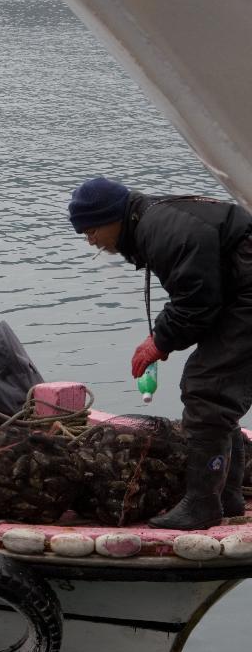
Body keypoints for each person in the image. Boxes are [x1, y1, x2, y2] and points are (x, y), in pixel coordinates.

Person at [68, 176, 252, 529]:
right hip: (238, 290)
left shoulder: (162, 231)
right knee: (214, 394)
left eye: (91, 230)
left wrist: (160, 341)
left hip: (245, 295)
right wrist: (164, 336)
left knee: (207, 391)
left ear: (112, 218)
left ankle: (202, 505)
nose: (90, 240)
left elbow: (197, 302)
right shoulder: (154, 221)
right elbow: (198, 294)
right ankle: (226, 498)